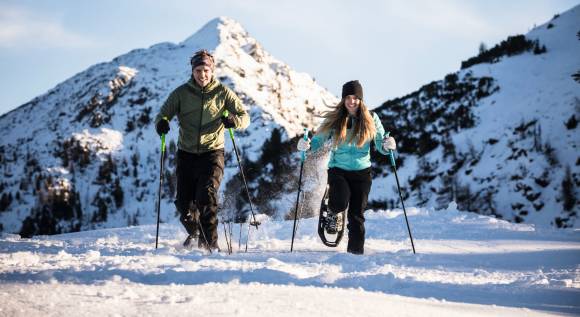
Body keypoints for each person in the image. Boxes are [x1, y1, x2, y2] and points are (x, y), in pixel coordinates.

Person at [154, 49, 250, 251]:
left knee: (206, 197)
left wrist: (234, 121)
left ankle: (209, 246)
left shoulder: (223, 92)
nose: (202, 74)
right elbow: (163, 114)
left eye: (206, 70)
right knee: (184, 204)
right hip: (186, 154)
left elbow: (244, 116)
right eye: (198, 70)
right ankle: (195, 230)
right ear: (193, 71)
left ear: (212, 70)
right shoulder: (181, 93)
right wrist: (161, 123)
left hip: (212, 153)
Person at [297, 80, 396, 255]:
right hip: (338, 170)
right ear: (343, 99)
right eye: (348, 97)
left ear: (361, 99)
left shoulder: (371, 118)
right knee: (340, 202)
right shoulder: (335, 119)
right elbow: (319, 139)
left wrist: (388, 145)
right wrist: (308, 145)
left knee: (357, 217)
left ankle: (355, 255)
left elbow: (380, 142)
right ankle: (333, 210)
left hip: (362, 173)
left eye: (356, 98)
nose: (352, 101)